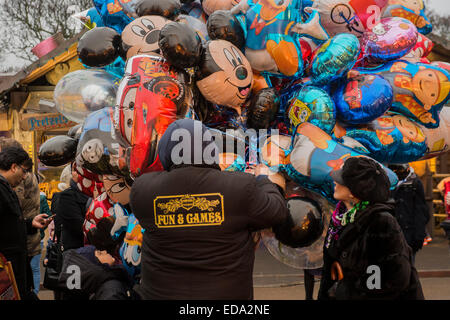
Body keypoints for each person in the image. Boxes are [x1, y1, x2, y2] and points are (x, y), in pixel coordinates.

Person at [130, 119, 300, 300]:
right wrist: (265, 180)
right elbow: (277, 212)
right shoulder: (239, 187)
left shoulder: (143, 190)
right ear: (210, 149)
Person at [318, 156, 424, 300]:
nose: (335, 182)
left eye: (341, 181)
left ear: (354, 192)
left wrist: (343, 291)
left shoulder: (381, 223)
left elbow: (394, 279)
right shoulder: (339, 218)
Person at [0, 146, 52, 300]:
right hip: (8, 270)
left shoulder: (6, 188)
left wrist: (30, 224)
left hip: (16, 268)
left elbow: (9, 224)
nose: (24, 177)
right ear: (14, 167)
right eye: (24, 171)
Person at [389, 164, 430, 263]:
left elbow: (421, 211)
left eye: (398, 169)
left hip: (408, 232)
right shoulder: (390, 181)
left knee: (407, 265)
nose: (395, 172)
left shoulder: (414, 183)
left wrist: (419, 235)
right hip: (394, 231)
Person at [53, 162, 91, 251]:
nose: (79, 173)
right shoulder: (67, 196)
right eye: (74, 170)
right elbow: (79, 227)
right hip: (77, 255)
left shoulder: (96, 193)